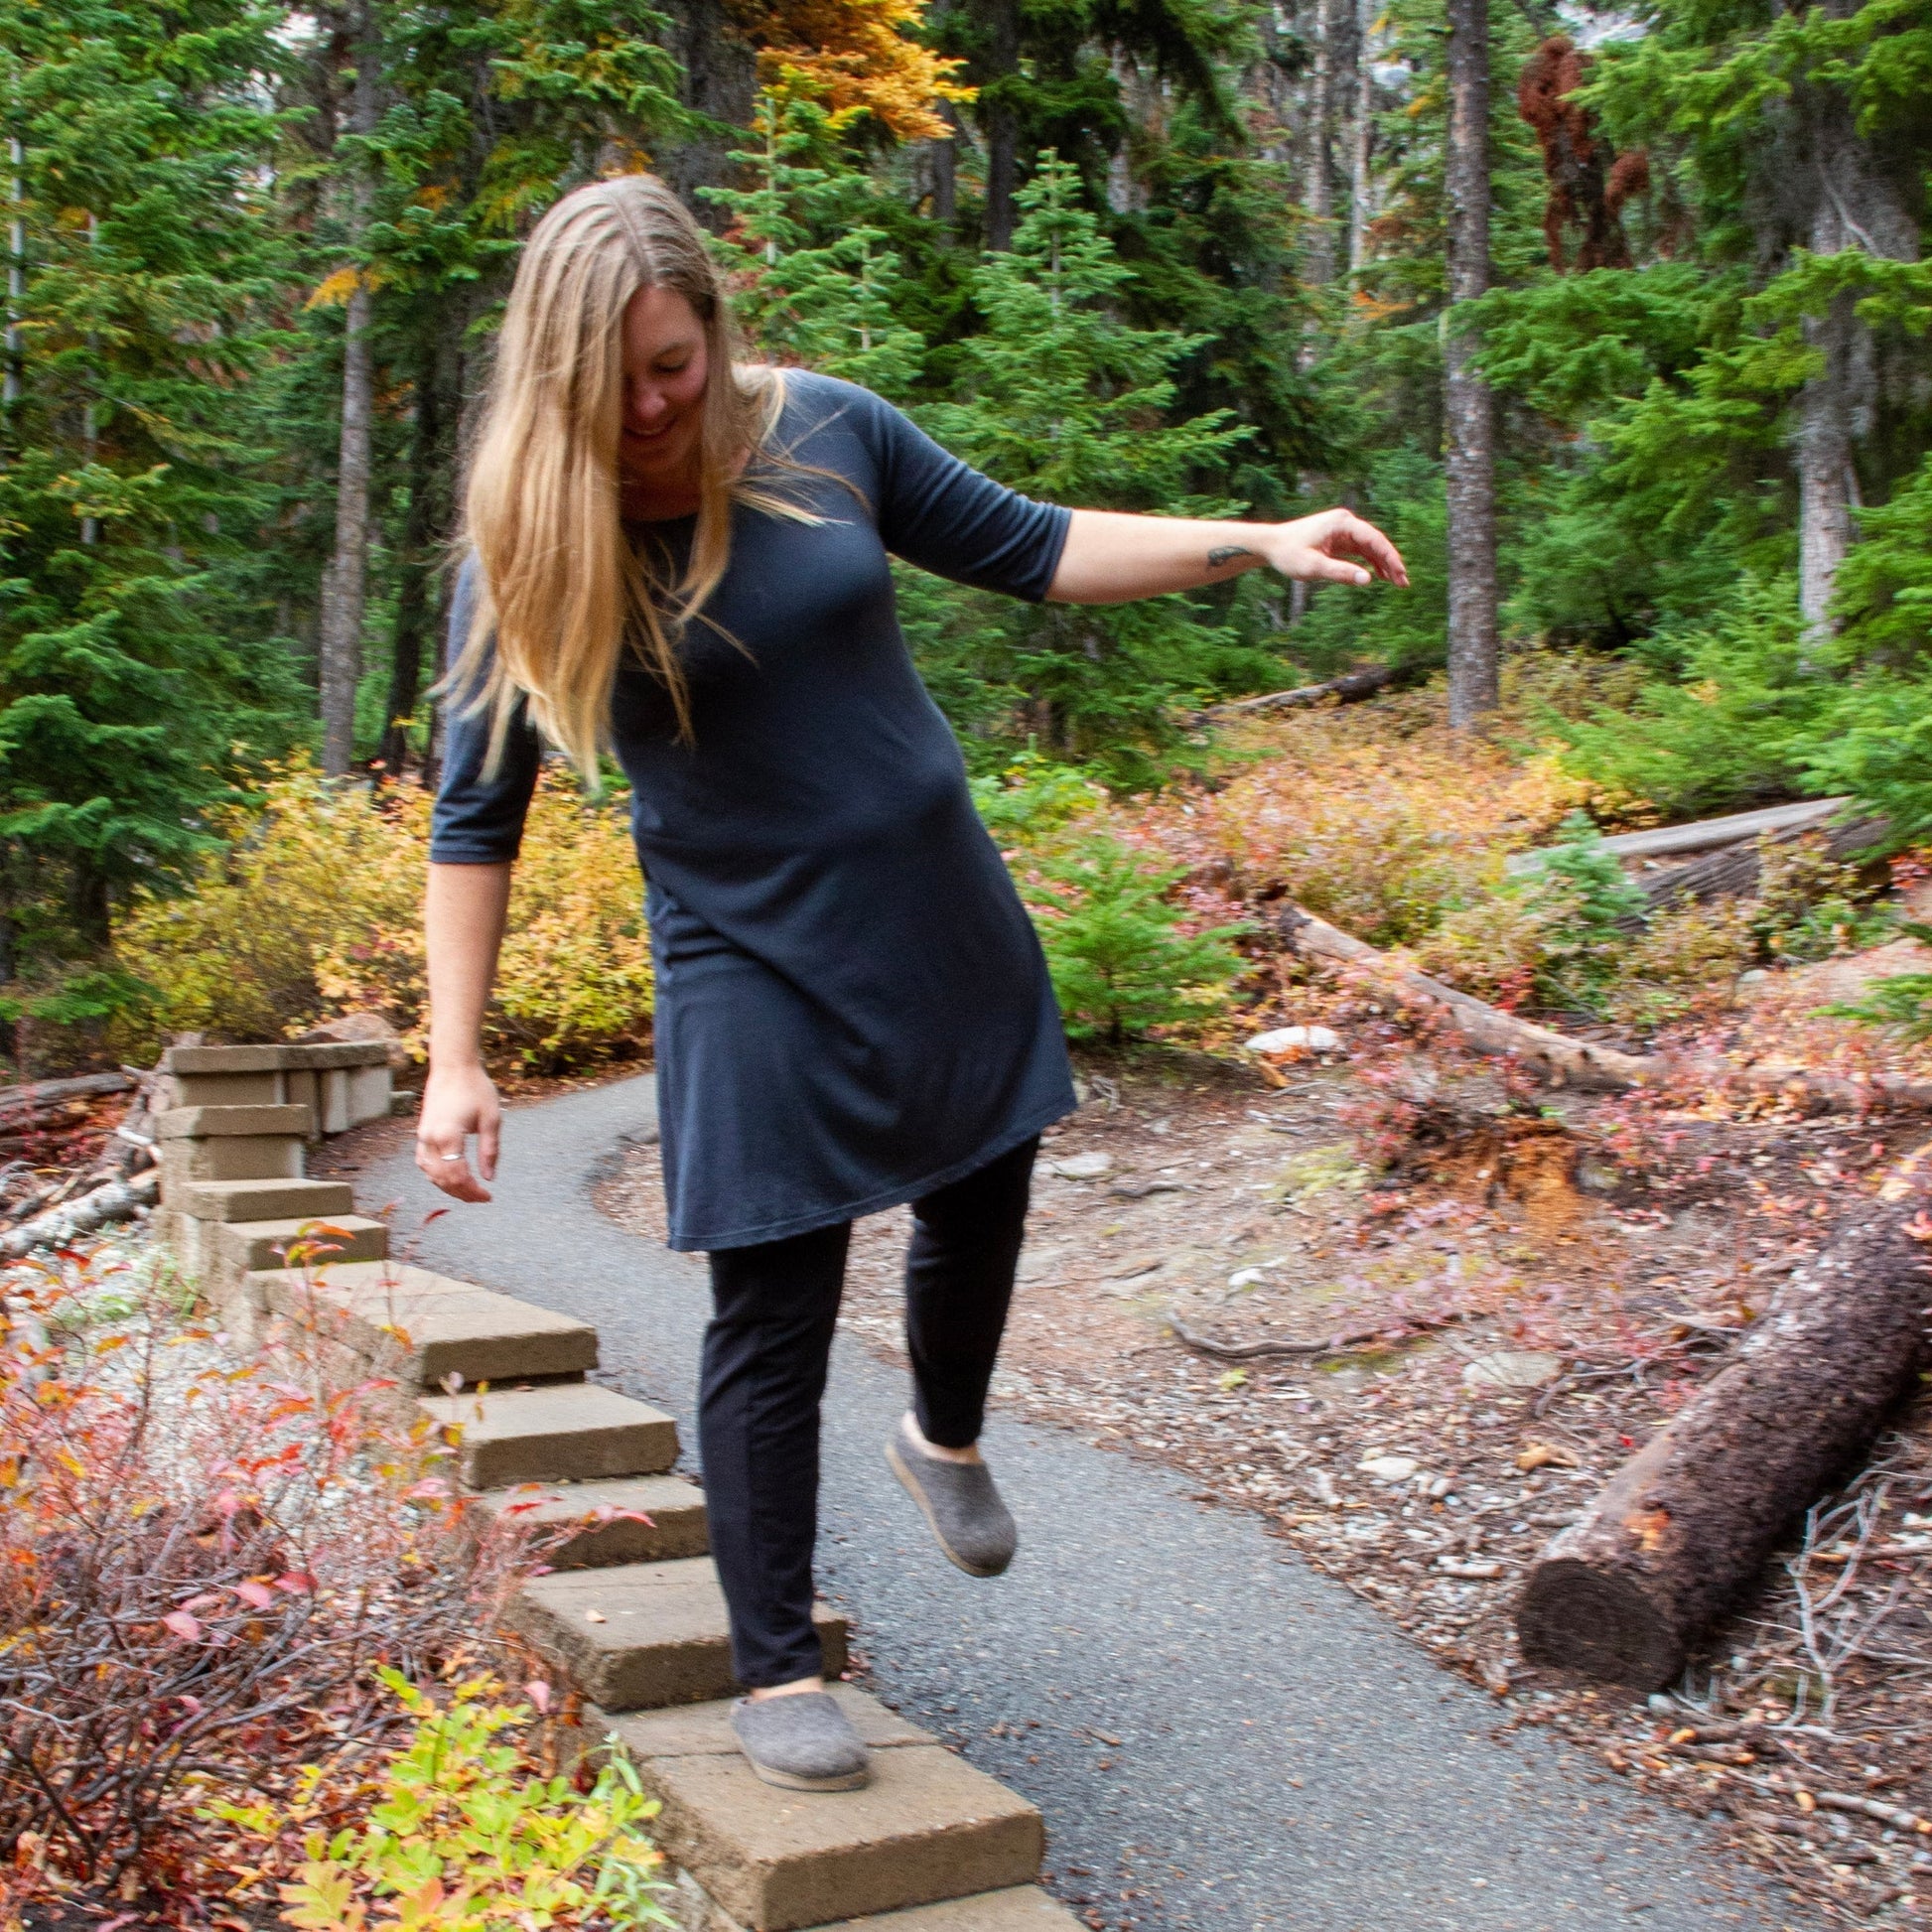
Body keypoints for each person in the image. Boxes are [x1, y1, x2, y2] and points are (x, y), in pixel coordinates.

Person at [417, 172, 1407, 1795]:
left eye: (672, 365)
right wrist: (454, 1055)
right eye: (613, 383)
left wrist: (1251, 539)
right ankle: (774, 1664)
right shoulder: (526, 544)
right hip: (741, 949)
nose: (651, 408)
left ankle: (940, 1432)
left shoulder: (823, 430)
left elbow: (1035, 544)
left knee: (984, 1171)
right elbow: (474, 822)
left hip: (931, 900)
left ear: (710, 328)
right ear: (552, 375)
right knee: (770, 1298)